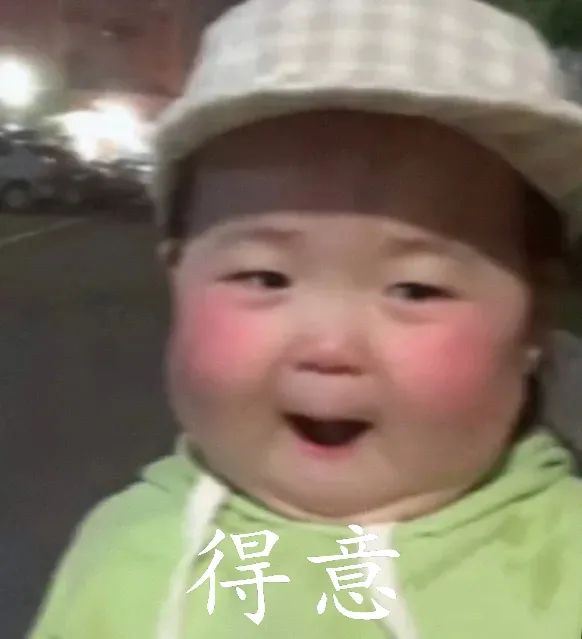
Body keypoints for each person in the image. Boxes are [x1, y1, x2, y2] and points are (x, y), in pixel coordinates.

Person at [28, 1, 582, 638]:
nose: (329, 345)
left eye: (415, 289)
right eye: (264, 278)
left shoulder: (561, 567)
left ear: (534, 319)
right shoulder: (125, 556)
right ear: (176, 276)